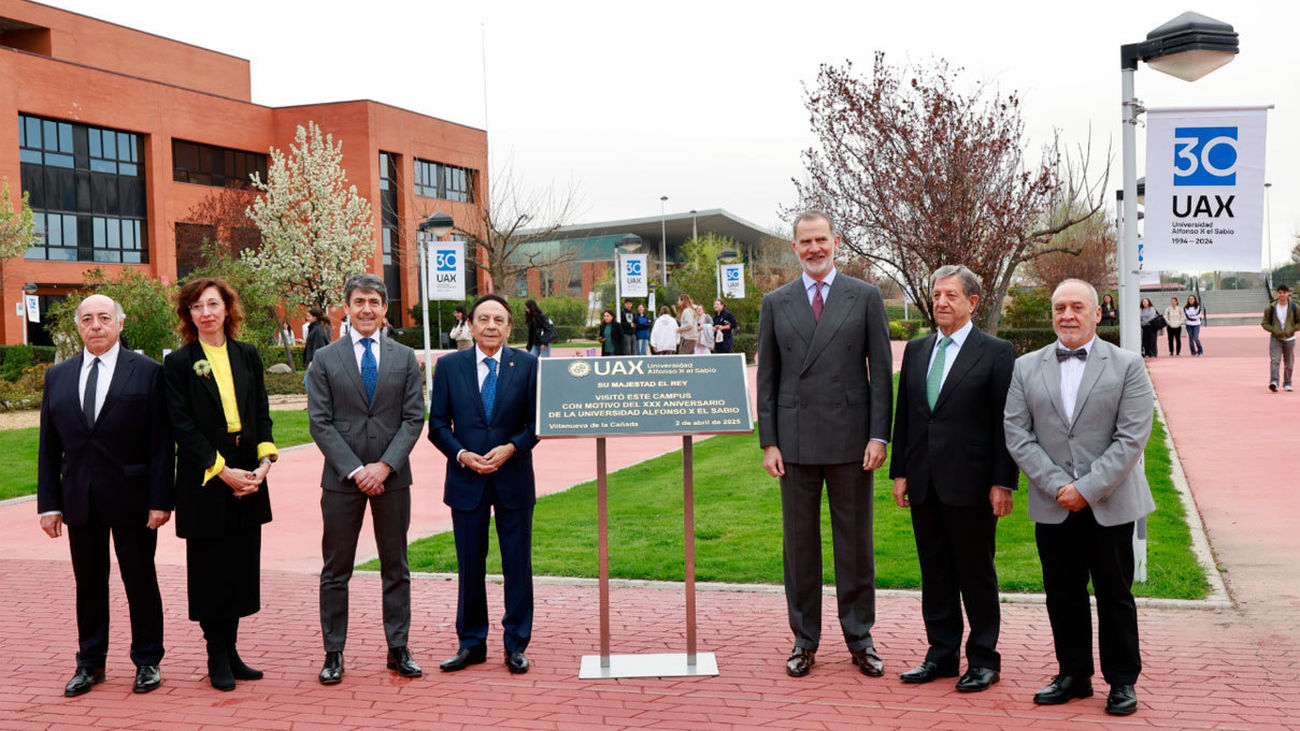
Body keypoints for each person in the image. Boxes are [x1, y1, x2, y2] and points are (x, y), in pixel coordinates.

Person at [1003, 278, 1154, 717]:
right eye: (1059, 308)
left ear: (1096, 313)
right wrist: (1056, 486)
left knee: (1114, 594)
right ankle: (1074, 675)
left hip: (1110, 503)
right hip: (1054, 504)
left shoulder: (1128, 365)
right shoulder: (1025, 367)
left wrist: (1086, 489)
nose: (1066, 315)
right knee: (1061, 592)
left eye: (1076, 307)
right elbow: (1016, 432)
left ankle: (1122, 680)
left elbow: (1131, 438)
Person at [756, 211, 893, 679]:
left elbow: (881, 376)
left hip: (852, 441)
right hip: (793, 442)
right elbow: (768, 380)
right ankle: (804, 639)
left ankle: (860, 637)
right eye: (805, 242)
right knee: (799, 547)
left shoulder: (866, 297)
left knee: (855, 545)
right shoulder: (776, 302)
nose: (814, 248)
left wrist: (879, 434)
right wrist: (768, 441)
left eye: (821, 240)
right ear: (794, 248)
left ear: (837, 241)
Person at [889, 265, 1017, 693]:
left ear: (973, 302)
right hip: (924, 481)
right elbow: (905, 416)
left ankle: (983, 658)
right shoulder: (918, 349)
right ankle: (941, 655)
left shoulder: (997, 352)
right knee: (935, 572)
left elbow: (1006, 423)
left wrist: (1004, 481)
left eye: (951, 296)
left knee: (975, 573)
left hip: (973, 484)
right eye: (936, 295)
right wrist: (901, 473)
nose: (941, 303)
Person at [38, 294, 173, 697]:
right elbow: (48, 446)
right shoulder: (58, 376)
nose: (95, 325)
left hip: (132, 496)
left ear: (120, 323)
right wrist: (49, 504)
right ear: (77, 326)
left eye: (103, 318)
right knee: (89, 582)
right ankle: (90, 662)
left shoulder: (148, 372)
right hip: (79, 497)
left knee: (139, 579)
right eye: (86, 319)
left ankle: (147, 660)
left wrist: (160, 499)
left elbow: (161, 444)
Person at [307, 274, 426, 685]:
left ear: (385, 307)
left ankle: (398, 648)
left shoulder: (405, 358)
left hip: (392, 479)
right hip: (342, 481)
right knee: (336, 569)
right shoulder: (324, 359)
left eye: (374, 302)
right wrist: (357, 469)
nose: (367, 310)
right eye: (359, 301)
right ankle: (334, 653)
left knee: (396, 566)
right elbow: (319, 423)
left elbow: (414, 419)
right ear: (346, 306)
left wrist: (385, 466)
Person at [164, 278, 277, 692]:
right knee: (211, 570)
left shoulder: (247, 355)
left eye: (213, 304)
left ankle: (232, 651)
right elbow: (182, 426)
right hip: (205, 477)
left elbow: (261, 410)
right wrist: (220, 468)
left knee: (240, 566)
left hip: (248, 474)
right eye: (196, 306)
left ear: (227, 309)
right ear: (188, 315)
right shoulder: (179, 363)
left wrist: (264, 462)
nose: (206, 312)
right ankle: (216, 653)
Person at [428, 294, 539, 675]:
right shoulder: (449, 366)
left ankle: (515, 645)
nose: (491, 326)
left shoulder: (527, 365)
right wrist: (461, 455)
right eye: (484, 319)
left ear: (509, 327)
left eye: (499, 320)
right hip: (466, 479)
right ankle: (471, 644)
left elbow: (538, 423)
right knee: (470, 565)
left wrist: (512, 448)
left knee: (517, 564)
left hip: (514, 478)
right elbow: (438, 425)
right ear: (470, 326)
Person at [1261, 283, 1299, 392]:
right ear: (1276, 293)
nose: (1282, 294)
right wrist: (1274, 330)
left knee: (1289, 362)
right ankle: (1274, 382)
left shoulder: (1294, 307)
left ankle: (1287, 383)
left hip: (1289, 338)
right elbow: (1265, 323)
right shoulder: (1271, 308)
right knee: (1275, 360)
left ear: (1288, 293)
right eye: (1280, 292)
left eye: (1284, 292)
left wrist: (1291, 329)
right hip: (1275, 338)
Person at [302, 306, 332, 389]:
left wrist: (313, 361)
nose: (307, 318)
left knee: (308, 383)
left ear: (315, 317)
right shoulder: (316, 328)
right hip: (315, 362)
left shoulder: (318, 330)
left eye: (309, 316)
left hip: (315, 363)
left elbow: (318, 347)